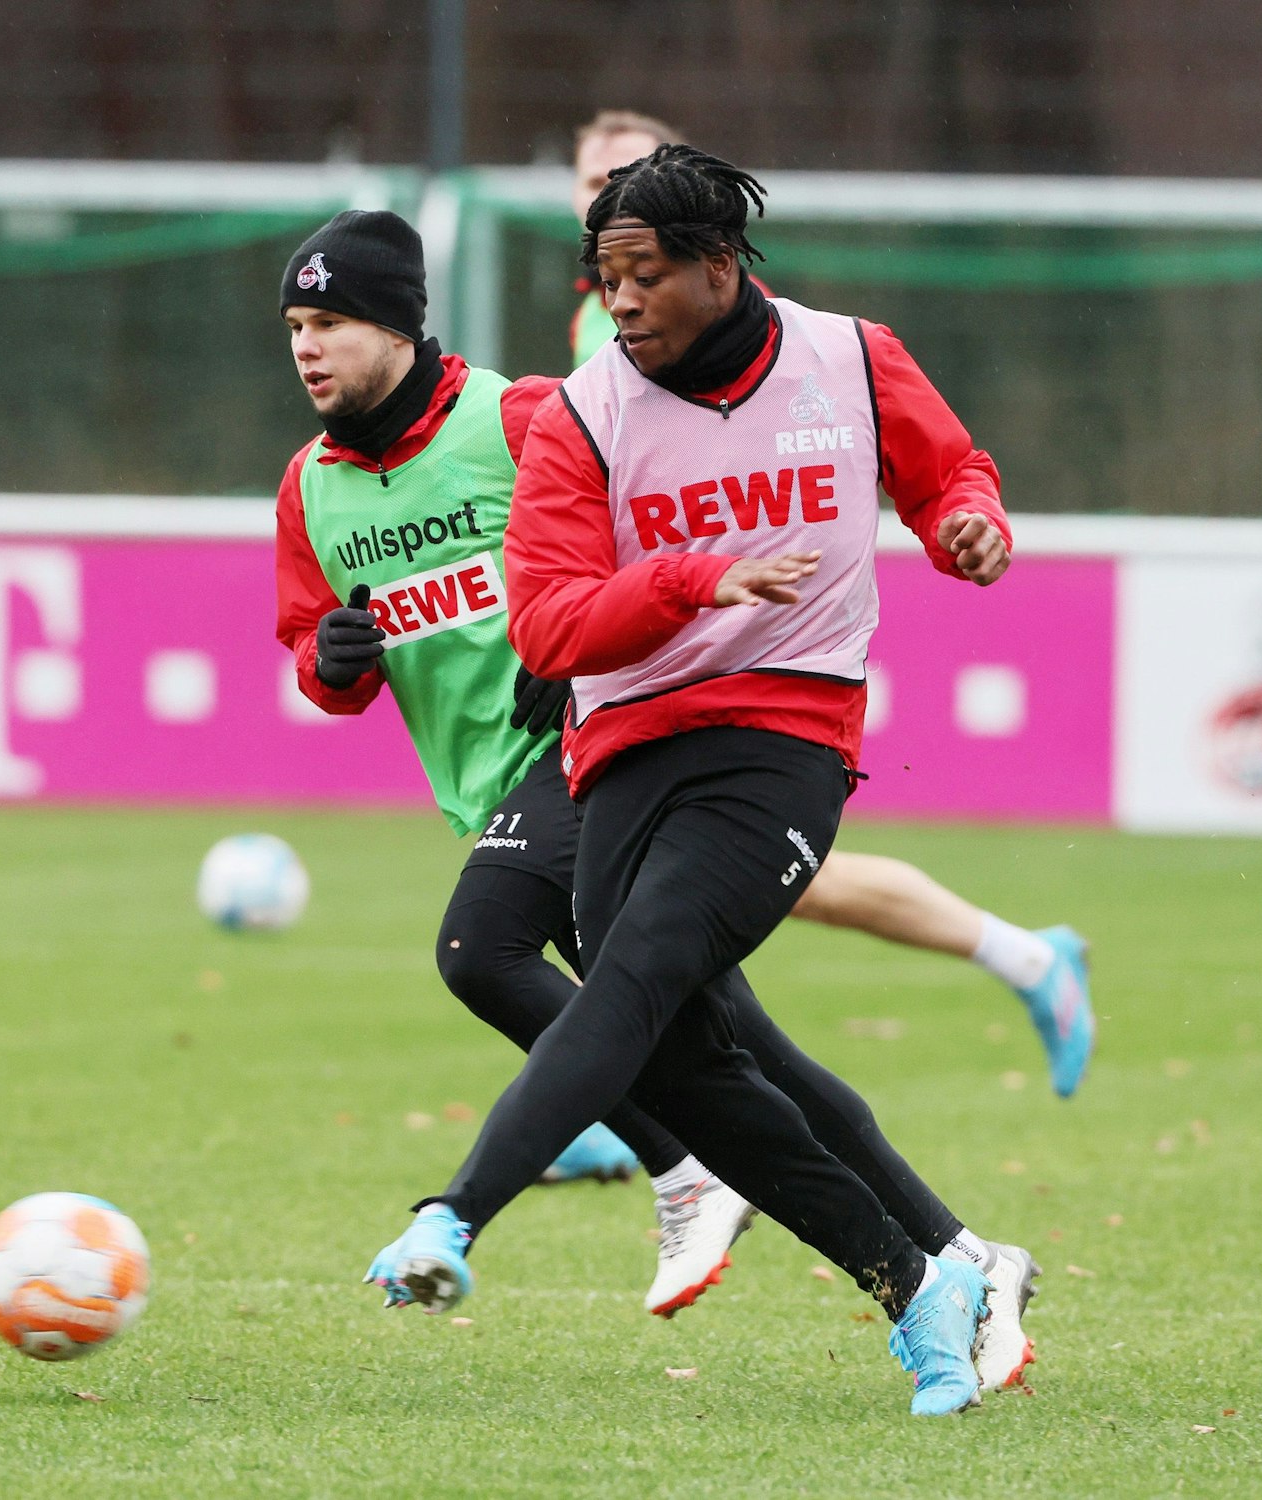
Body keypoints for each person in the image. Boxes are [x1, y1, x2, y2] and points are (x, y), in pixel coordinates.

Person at [273, 210, 1037, 1404]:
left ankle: (575, 1193)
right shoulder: (310, 488)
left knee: (491, 954)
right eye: (295, 329)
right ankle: (942, 1263)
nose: (307, 349)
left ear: (398, 325)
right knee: (715, 1051)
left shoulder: (525, 415)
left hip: (593, 747)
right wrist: (336, 658)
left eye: (330, 324)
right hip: (513, 782)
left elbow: (617, 530)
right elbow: (322, 676)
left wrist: (571, 634)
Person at [567, 110, 1095, 1096]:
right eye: (593, 174)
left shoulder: (813, 351)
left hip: (741, 697)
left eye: (630, 173)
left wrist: (965, 521)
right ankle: (662, 1109)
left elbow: (941, 471)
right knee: (662, 919)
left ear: (708, 246)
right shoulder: (604, 341)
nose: (607, 191)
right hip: (627, 675)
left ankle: (647, 1115)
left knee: (630, 919)